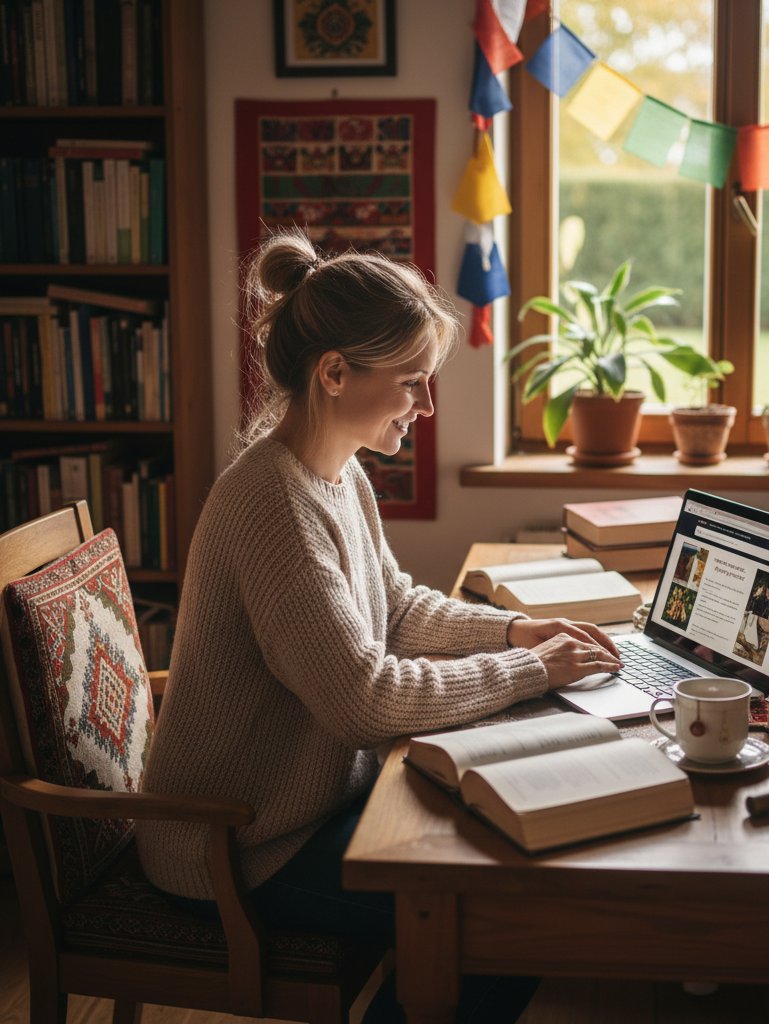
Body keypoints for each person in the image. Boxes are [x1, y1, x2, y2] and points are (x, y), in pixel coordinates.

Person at [136, 228, 622, 1021]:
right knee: (514, 922)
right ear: (334, 373)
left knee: (507, 858)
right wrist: (533, 674)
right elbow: (362, 700)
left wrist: (513, 633)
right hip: (235, 849)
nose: (427, 406)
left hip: (304, 809)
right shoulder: (272, 504)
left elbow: (393, 605)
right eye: (412, 383)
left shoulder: (334, 472)